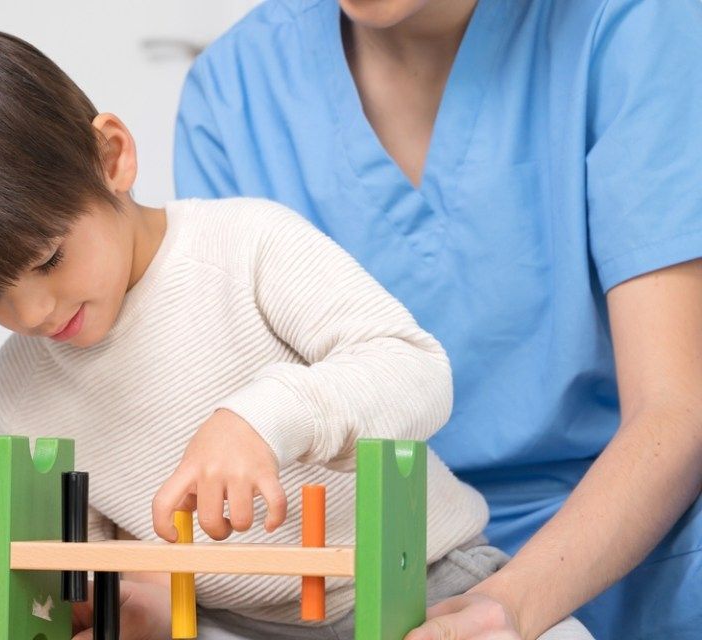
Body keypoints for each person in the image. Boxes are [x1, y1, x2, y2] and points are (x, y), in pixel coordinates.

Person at [0, 28, 592, 640]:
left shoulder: (245, 246)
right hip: (223, 619)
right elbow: (59, 578)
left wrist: (261, 417)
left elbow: (415, 370)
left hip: (427, 583)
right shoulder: (27, 384)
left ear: (111, 157)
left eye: (48, 259)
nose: (35, 314)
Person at [171, 0, 702, 638]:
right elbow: (238, 446)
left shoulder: (628, 24)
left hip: (636, 548)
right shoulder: (237, 91)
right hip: (364, 569)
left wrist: (510, 604)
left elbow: (675, 407)